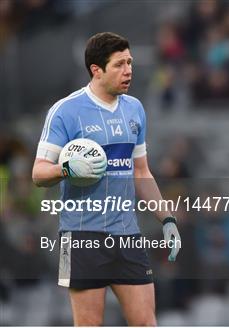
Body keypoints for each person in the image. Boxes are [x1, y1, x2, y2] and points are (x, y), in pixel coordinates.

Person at [32, 32, 180, 326]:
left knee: (146, 323)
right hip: (80, 238)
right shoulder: (66, 111)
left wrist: (168, 219)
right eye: (119, 64)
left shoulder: (134, 109)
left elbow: (141, 172)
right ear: (96, 70)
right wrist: (67, 169)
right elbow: (38, 173)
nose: (128, 71)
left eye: (130, 62)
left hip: (128, 236)